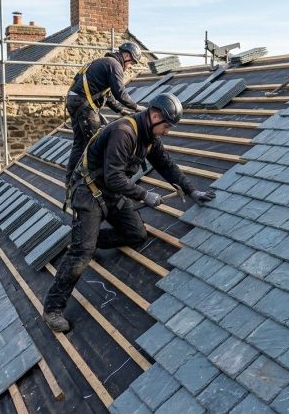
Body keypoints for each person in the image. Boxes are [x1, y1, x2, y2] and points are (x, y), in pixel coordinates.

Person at [43, 93, 216, 332]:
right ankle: (52, 308)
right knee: (82, 252)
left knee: (136, 234)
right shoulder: (124, 132)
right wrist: (145, 195)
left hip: (112, 194)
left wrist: (192, 190)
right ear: (155, 116)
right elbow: (114, 176)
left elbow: (166, 164)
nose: (167, 132)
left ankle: (89, 238)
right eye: (166, 126)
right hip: (89, 192)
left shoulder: (150, 137)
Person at [65, 41, 146, 179]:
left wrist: (121, 110)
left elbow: (107, 95)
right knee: (97, 143)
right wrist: (137, 107)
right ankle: (96, 180)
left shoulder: (105, 62)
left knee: (79, 144)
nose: (130, 66)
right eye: (131, 63)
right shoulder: (115, 65)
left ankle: (70, 179)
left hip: (75, 102)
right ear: (127, 56)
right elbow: (120, 93)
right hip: (84, 105)